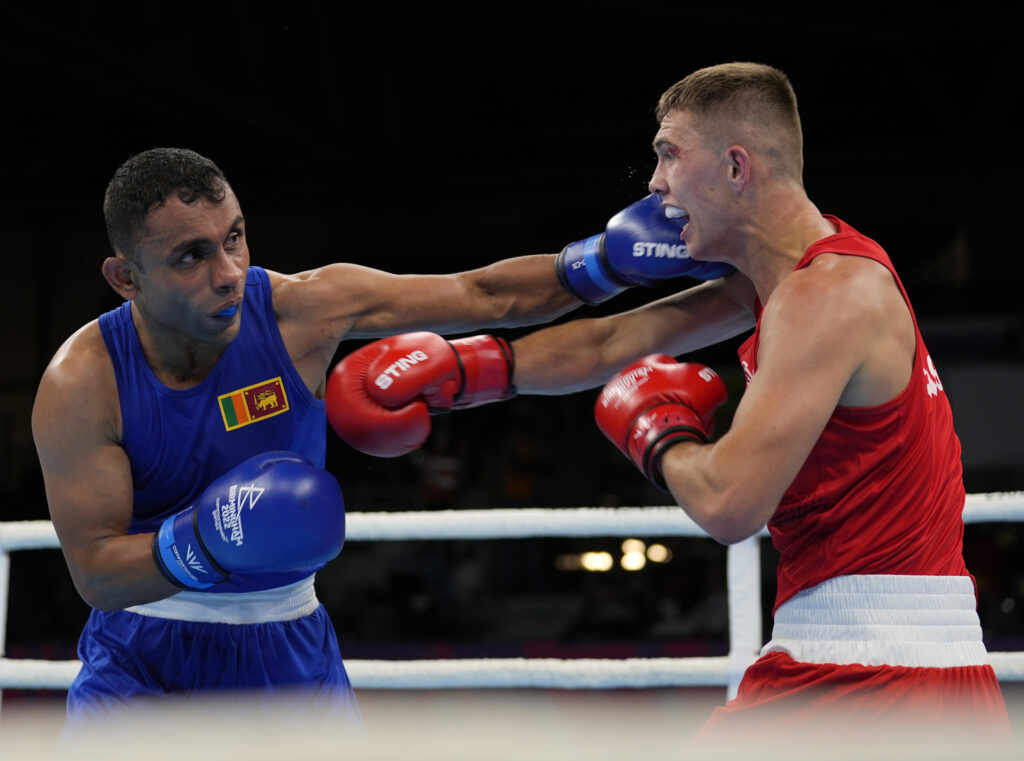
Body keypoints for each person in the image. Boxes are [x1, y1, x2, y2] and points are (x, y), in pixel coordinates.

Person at [328, 63, 1012, 745]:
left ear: (736, 167)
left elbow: (728, 503)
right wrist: (463, 371)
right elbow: (618, 338)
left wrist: (661, 433)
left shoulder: (824, 297)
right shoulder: (797, 277)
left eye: (669, 155)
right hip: (897, 664)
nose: (655, 183)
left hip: (864, 670)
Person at [28, 146, 727, 736]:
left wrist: (605, 263)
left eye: (235, 237)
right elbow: (95, 573)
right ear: (126, 278)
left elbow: (484, 297)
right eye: (191, 256)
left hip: (291, 646)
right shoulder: (82, 384)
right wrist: (207, 539)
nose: (229, 272)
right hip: (142, 662)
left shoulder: (301, 310)